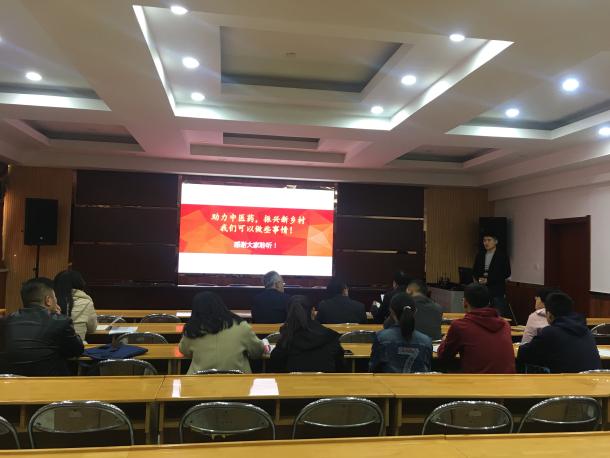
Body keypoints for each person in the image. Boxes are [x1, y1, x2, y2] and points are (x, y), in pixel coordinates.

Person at [0, 278, 84, 376]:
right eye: (55, 298)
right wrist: (59, 316)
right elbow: (77, 349)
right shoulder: (60, 321)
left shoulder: (5, 321)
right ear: (48, 300)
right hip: (48, 382)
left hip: (9, 382)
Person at [437, 283, 515, 373]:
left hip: (476, 380)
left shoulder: (460, 326)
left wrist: (444, 340)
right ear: (489, 303)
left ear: (465, 302)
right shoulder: (505, 324)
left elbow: (444, 356)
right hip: (507, 379)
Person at [179, 292, 264, 374]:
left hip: (198, 381)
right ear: (221, 305)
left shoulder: (192, 329)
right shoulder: (242, 326)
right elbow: (257, 351)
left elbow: (184, 351)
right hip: (238, 381)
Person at [517, 292, 600, 373]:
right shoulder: (587, 331)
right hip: (593, 380)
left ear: (549, 315)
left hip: (566, 381)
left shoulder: (550, 332)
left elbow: (523, 354)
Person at [269, 295, 344, 373]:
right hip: (327, 381)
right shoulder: (331, 337)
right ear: (313, 311)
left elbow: (274, 368)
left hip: (293, 381)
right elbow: (341, 368)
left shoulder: (285, 340)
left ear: (289, 313)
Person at [369, 293, 433, 373]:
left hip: (388, 380)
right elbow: (427, 369)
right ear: (415, 311)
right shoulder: (426, 341)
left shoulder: (381, 338)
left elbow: (373, 369)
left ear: (391, 311)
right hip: (417, 381)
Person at [472, 233, 511, 317]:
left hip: (497, 292)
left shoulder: (502, 255)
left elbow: (507, 273)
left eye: (489, 240)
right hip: (482, 291)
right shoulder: (480, 255)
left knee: (497, 316)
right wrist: (479, 279)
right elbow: (474, 271)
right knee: (482, 316)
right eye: (484, 240)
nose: (486, 243)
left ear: (496, 242)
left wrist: (488, 280)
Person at [54, 270, 98, 342]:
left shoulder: (50, 302)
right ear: (80, 283)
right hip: (77, 346)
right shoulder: (86, 303)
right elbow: (92, 329)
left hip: (51, 346)